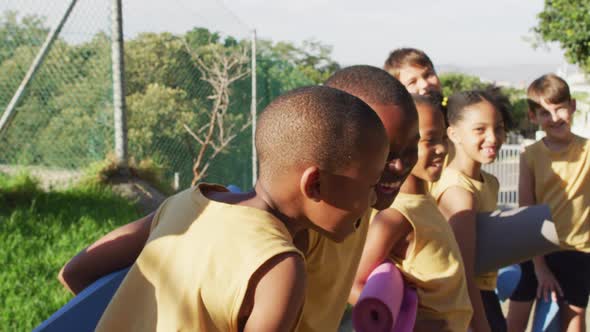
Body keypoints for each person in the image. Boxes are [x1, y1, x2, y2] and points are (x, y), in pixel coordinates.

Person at [59, 65, 419, 332]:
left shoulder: (184, 204)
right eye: (369, 183)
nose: (374, 196)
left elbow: (75, 272)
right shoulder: (279, 266)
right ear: (315, 185)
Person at [298, 65, 420, 332]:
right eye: (385, 151)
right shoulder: (296, 234)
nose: (400, 166)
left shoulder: (362, 203)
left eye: (412, 147)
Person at [351, 94, 472, 331]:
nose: (440, 148)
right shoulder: (395, 216)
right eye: (428, 141)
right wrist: (413, 323)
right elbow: (353, 284)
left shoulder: (424, 201)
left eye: (442, 137)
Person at [506, 74, 590, 332]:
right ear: (533, 117)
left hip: (578, 252)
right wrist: (540, 268)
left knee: (574, 323)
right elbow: (527, 213)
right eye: (544, 112)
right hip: (535, 252)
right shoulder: (530, 156)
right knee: (515, 322)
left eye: (559, 108)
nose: (554, 118)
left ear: (573, 106)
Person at [431, 87, 512, 332]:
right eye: (480, 129)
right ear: (453, 133)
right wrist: (481, 325)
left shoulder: (489, 182)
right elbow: (463, 273)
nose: (493, 137)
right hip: (468, 304)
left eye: (498, 127)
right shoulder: (459, 192)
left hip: (484, 295)